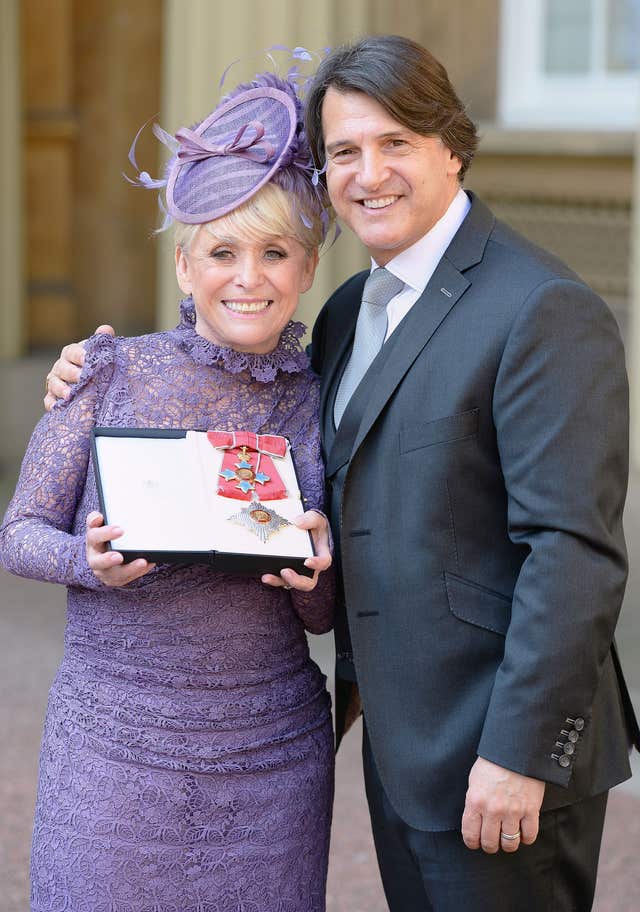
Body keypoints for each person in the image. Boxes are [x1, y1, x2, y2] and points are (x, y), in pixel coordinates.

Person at [45, 35, 640, 911]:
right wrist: (88, 374)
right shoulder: (347, 315)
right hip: (401, 751)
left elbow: (575, 554)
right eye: (344, 153)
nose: (370, 174)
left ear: (452, 146)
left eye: (395, 142)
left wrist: (519, 755)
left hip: (498, 761)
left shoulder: (542, 309)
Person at [1, 71, 336, 912]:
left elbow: (326, 611)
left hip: (273, 756)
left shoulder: (324, 400)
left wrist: (316, 575)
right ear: (185, 267)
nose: (247, 277)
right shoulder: (110, 371)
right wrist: (89, 558)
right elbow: (18, 534)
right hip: (115, 747)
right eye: (222, 252)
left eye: (273, 252)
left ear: (307, 266)